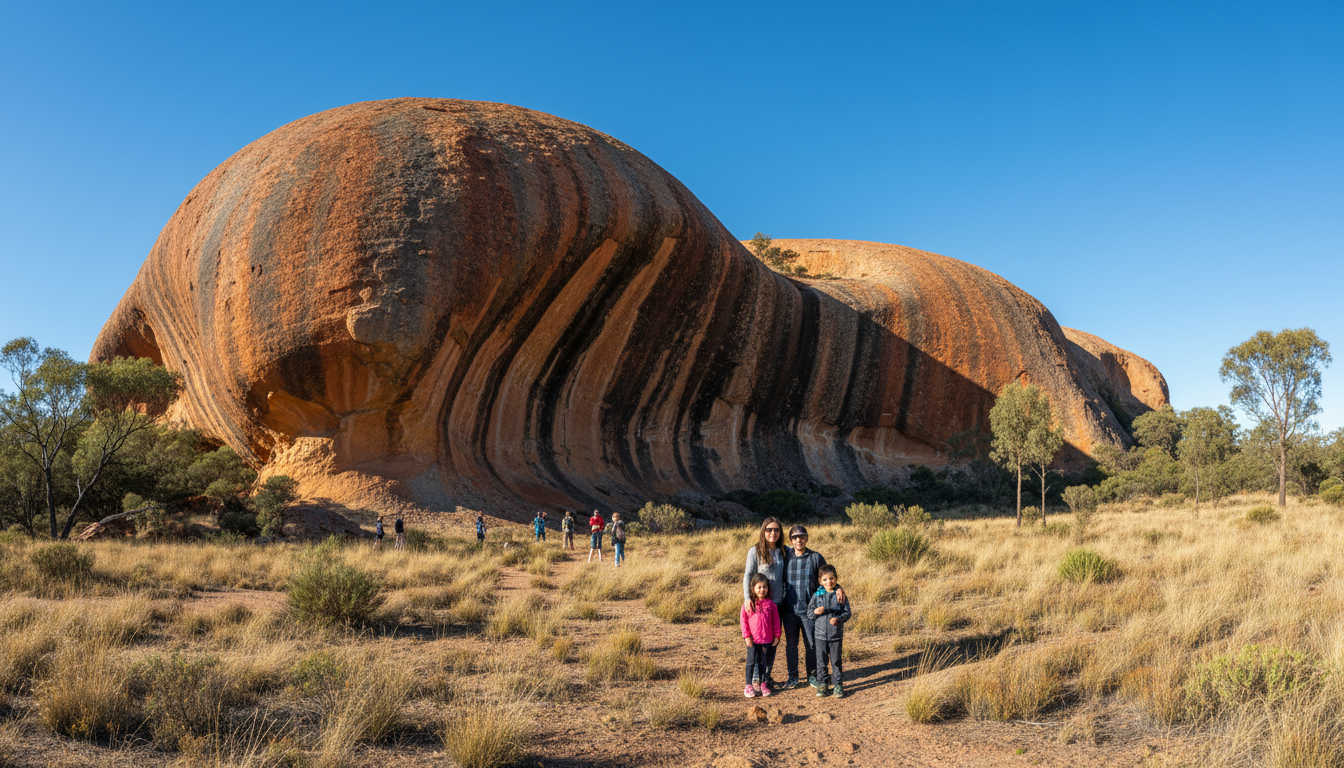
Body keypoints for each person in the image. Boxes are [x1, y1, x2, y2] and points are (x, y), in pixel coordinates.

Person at [781, 525, 846, 690]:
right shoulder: (786, 557)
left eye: (801, 536)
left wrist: (838, 587)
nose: (798, 540)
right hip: (790, 610)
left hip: (811, 612)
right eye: (795, 537)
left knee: (811, 645)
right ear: (790, 540)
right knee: (791, 645)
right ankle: (793, 676)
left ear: (807, 538)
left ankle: (813, 675)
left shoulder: (815, 557)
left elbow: (827, 577)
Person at [742, 517, 787, 686]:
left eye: (776, 530)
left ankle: (766, 676)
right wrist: (748, 598)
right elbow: (748, 575)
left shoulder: (784, 551)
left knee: (773, 641)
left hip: (777, 604)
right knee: (758, 642)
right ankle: (755, 676)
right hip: (759, 606)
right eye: (769, 530)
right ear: (763, 531)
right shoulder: (755, 551)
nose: (772, 533)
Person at [808, 564, 852, 698]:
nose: (829, 582)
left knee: (836, 661)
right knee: (821, 661)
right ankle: (822, 685)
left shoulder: (840, 595)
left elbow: (847, 613)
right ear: (820, 580)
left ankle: (838, 685)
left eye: (832, 578)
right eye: (825, 579)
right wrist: (816, 612)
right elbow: (809, 613)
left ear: (836, 578)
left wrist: (838, 619)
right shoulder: (817, 595)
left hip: (835, 635)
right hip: (820, 635)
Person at [741, 573, 782, 698]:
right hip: (753, 640)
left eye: (764, 587)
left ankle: (763, 683)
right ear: (753, 588)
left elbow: (776, 621)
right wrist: (746, 636)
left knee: (763, 663)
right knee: (751, 662)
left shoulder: (771, 605)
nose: (762, 590)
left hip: (766, 639)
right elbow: (743, 621)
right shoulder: (749, 604)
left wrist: (777, 636)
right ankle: (749, 685)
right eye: (759, 587)